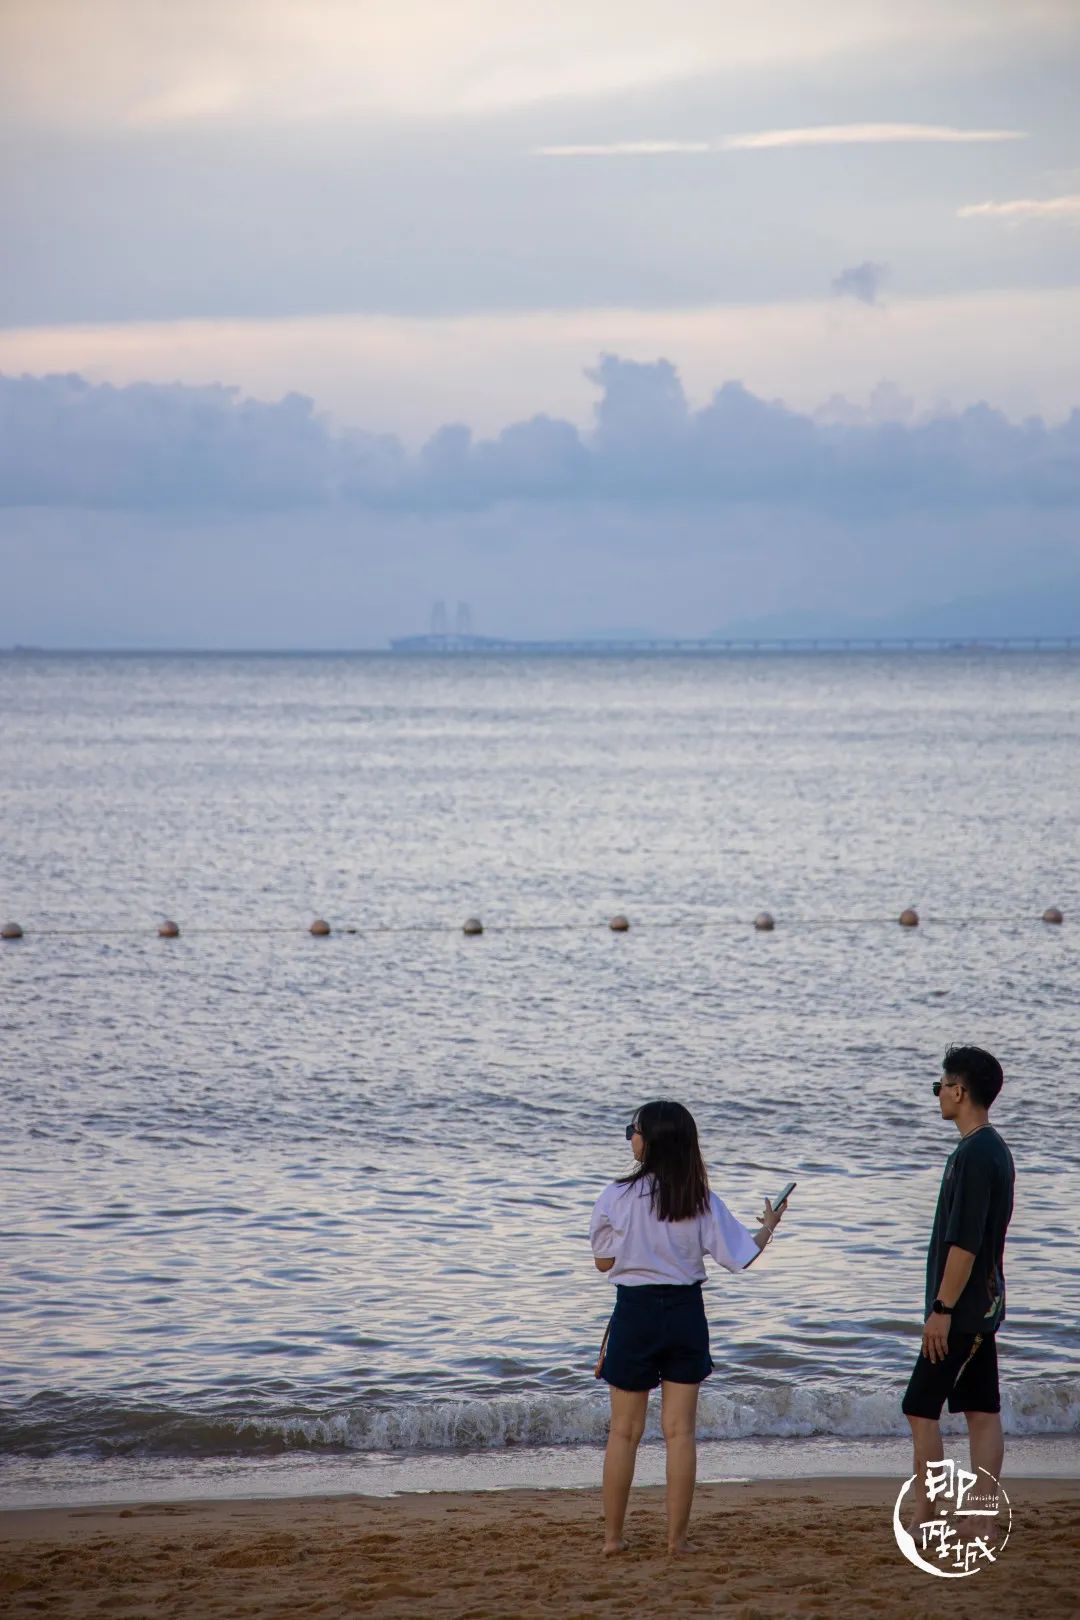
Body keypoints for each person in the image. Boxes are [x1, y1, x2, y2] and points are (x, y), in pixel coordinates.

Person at [588, 1098, 786, 1557]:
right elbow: (740, 1257)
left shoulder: (614, 1197)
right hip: (685, 1313)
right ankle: (676, 1541)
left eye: (632, 1129)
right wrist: (769, 1226)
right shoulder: (700, 1199)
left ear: (650, 1141)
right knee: (680, 1433)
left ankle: (613, 1540)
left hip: (634, 1313)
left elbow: (602, 1263)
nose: (629, 1137)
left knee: (623, 1432)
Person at [901, 1045, 1015, 1538]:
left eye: (940, 1086)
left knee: (920, 1407)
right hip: (983, 1307)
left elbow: (965, 1247)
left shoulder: (974, 1156)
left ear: (960, 1091)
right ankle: (982, 1517)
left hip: (963, 1310)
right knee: (982, 1411)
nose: (938, 1095)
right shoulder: (992, 1148)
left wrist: (941, 1309)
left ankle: (928, 1513)